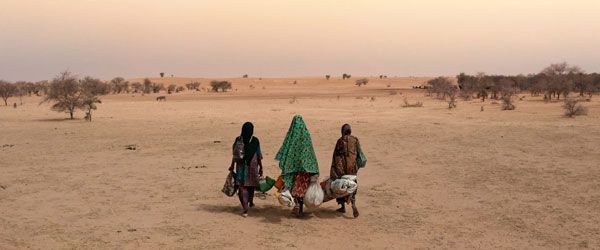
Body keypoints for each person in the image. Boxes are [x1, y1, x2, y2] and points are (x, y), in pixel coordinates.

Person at [275, 115, 319, 217]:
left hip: (294, 169)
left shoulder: (292, 136)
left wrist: (288, 164)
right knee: (303, 189)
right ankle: (300, 208)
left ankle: (298, 207)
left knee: (296, 189)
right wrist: (313, 167)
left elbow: (286, 149)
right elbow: (310, 152)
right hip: (306, 169)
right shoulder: (306, 134)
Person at [330, 124, 366, 218]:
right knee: (352, 186)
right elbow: (360, 155)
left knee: (341, 186)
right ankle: (353, 203)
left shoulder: (340, 141)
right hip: (352, 169)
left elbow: (336, 157)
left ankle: (342, 207)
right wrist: (356, 166)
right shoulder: (355, 140)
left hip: (341, 169)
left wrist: (334, 170)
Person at [229, 122, 263, 217]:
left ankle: (245, 207)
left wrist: (232, 165)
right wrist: (261, 168)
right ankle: (250, 201)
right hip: (252, 166)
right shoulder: (255, 141)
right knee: (251, 185)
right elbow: (259, 155)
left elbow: (235, 155)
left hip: (240, 166)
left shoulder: (238, 140)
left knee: (241, 186)